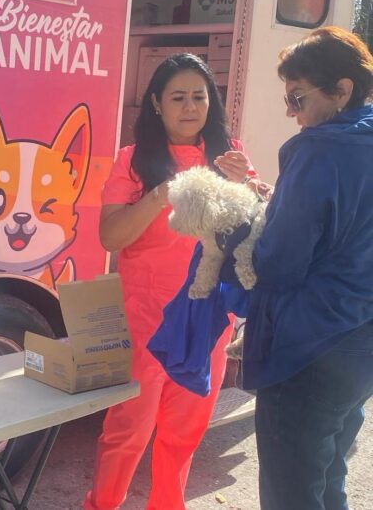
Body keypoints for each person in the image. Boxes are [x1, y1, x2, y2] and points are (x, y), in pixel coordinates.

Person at [83, 53, 257, 510]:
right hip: (145, 318)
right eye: (178, 97)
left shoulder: (230, 155)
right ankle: (102, 504)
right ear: (157, 104)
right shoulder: (133, 160)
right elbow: (110, 237)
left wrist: (248, 186)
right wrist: (159, 195)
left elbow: (256, 228)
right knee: (128, 428)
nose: (190, 107)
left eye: (199, 96)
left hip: (207, 318)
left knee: (185, 431)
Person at [244, 26, 373, 510]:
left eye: (297, 98)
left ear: (342, 90)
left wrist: (244, 233)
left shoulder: (319, 148)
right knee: (328, 478)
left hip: (307, 349)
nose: (290, 112)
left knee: (291, 494)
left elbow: (278, 263)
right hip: (359, 342)